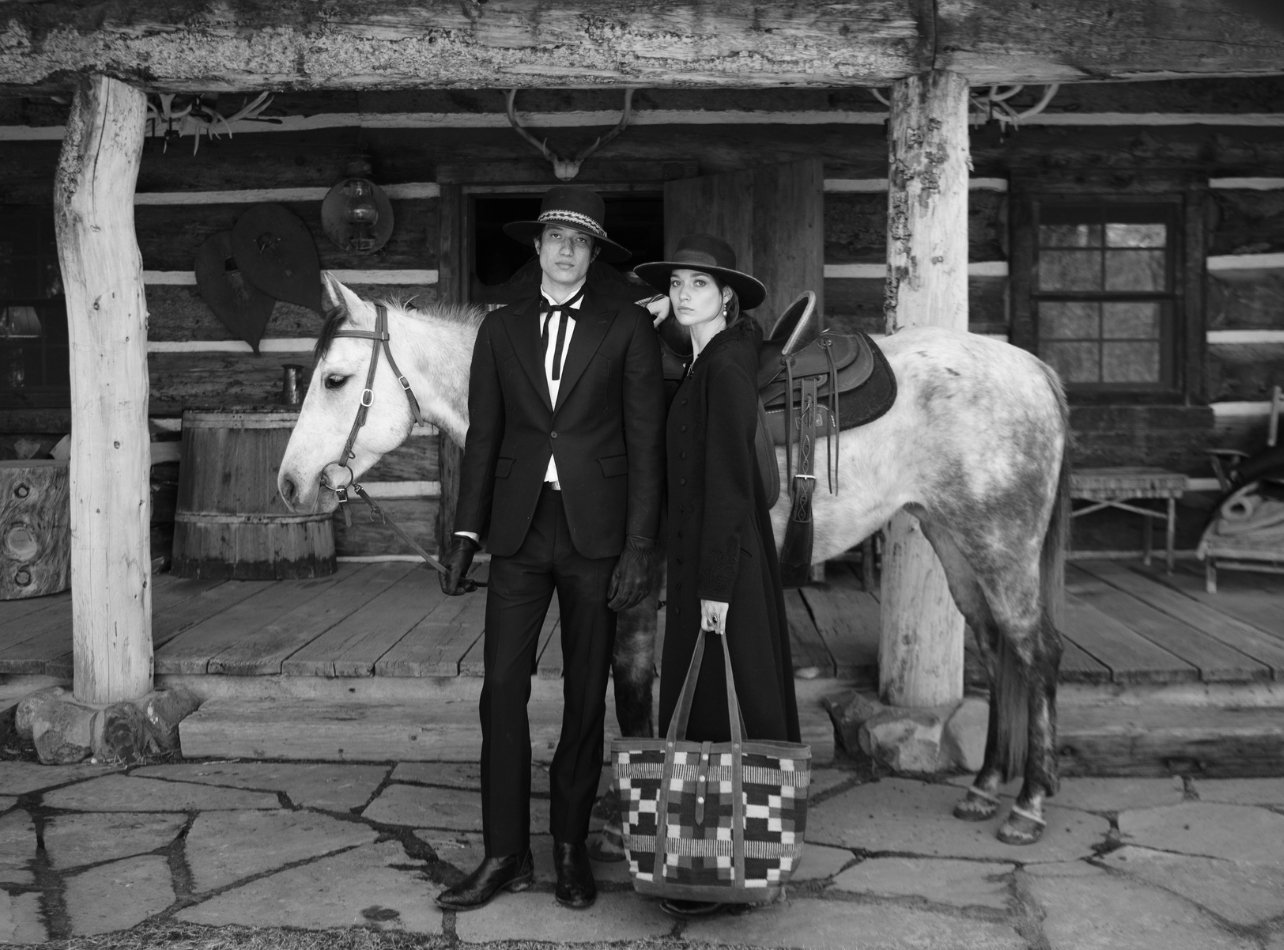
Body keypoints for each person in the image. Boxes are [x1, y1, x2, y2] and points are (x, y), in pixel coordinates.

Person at [436, 185, 666, 913]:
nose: (566, 248)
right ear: (536, 247)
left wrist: (637, 546)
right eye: (555, 235)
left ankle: (569, 847)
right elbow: (485, 440)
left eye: (580, 239)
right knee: (501, 687)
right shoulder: (499, 330)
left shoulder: (625, 325)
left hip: (597, 538)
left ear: (593, 255)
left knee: (582, 695)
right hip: (518, 532)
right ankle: (504, 852)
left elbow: (644, 443)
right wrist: (467, 533)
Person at [633, 234, 801, 918]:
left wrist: (714, 590)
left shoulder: (727, 366)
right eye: (676, 284)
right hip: (710, 554)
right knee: (716, 707)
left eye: (698, 285)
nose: (682, 293)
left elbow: (733, 485)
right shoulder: (704, 357)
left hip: (722, 561)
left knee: (724, 709)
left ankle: (729, 865)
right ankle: (717, 854)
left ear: (726, 297)